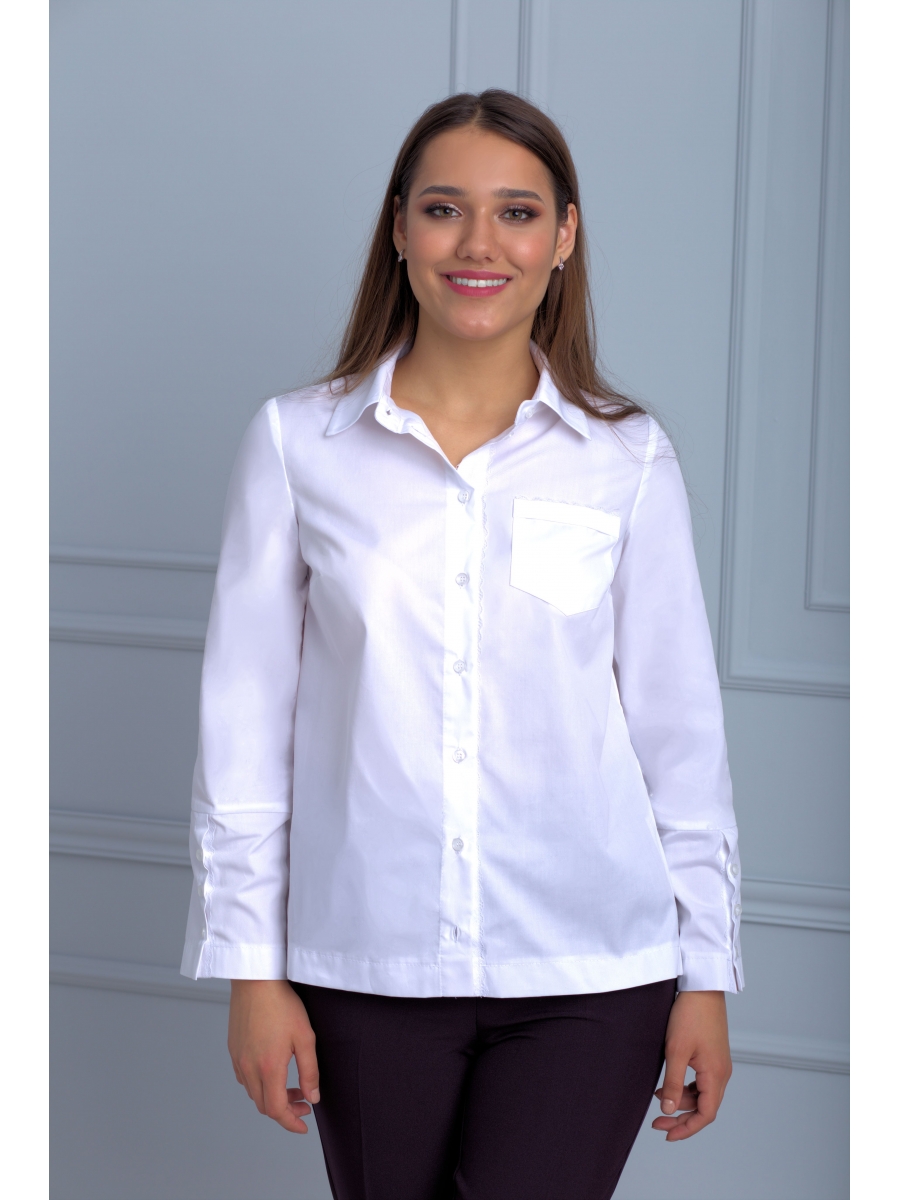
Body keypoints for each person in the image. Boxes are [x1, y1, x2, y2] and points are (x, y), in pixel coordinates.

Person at [181, 89, 742, 1200]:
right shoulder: (297, 444)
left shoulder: (628, 459)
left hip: (594, 968)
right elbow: (243, 727)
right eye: (444, 209)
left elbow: (681, 735)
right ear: (399, 229)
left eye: (518, 213)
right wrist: (250, 969)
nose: (480, 244)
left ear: (564, 237)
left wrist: (707, 975)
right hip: (365, 965)